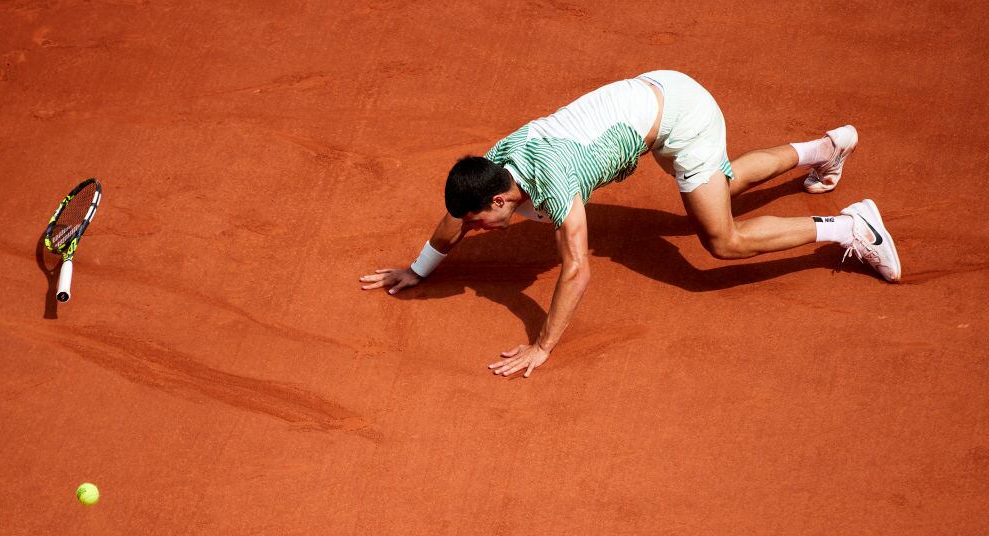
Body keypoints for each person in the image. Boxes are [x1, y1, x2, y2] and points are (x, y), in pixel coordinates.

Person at [360, 70, 901, 378]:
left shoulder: (555, 181)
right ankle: (827, 148)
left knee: (721, 238)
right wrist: (419, 269)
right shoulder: (496, 167)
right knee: (722, 184)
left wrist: (542, 346)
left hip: (682, 117)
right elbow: (456, 217)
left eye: (481, 221)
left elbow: (577, 270)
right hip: (659, 90)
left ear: (501, 198)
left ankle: (852, 227)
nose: (475, 230)